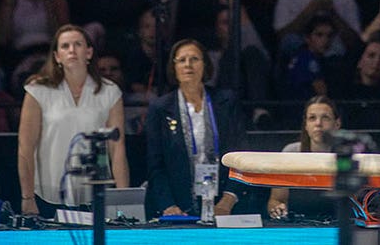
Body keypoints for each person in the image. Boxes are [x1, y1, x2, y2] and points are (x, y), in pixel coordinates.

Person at [17, 24, 128, 216]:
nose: (72, 50)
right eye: (65, 46)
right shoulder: (38, 90)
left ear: (89, 52)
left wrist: (124, 199)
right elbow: (25, 148)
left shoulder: (110, 92)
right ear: (57, 56)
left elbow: (117, 148)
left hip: (96, 194)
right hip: (48, 195)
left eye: (77, 44)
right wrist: (27, 197)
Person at [145, 39, 245, 218]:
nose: (188, 65)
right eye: (181, 60)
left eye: (194, 59)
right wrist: (169, 205)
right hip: (179, 206)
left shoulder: (226, 102)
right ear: (173, 67)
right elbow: (156, 165)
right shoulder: (160, 108)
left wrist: (227, 201)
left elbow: (240, 156)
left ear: (205, 65)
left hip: (224, 203)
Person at [267, 96, 341, 220]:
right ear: (306, 125)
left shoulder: (348, 155)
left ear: (337, 124)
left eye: (325, 118)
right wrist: (277, 209)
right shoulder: (290, 153)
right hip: (300, 224)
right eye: (312, 118)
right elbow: (276, 200)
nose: (318, 123)